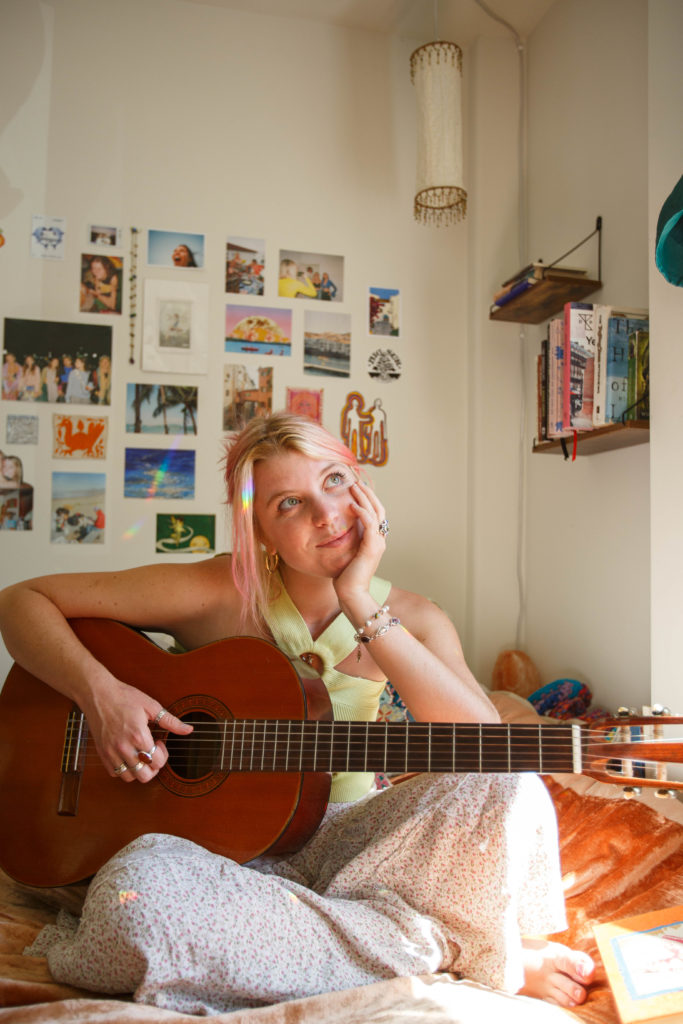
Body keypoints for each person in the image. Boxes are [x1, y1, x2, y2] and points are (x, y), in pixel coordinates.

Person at [0, 412, 594, 1014]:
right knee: (133, 903)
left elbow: (483, 750)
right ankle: (439, 946)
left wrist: (359, 599)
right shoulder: (217, 591)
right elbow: (22, 601)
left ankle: (331, 939)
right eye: (288, 503)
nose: (325, 515)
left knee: (513, 787)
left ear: (362, 486)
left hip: (356, 850)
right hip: (216, 858)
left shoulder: (415, 616)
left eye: (334, 481)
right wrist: (102, 696)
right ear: (258, 530)